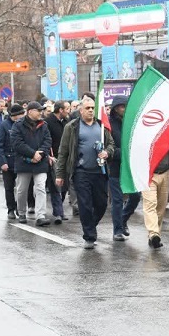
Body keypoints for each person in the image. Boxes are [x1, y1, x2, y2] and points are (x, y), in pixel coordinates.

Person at [55, 98, 114, 248]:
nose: (90, 110)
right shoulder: (72, 127)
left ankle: (90, 225)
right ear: (80, 110)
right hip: (81, 172)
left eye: (92, 108)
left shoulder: (101, 125)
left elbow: (111, 144)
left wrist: (107, 152)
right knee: (85, 204)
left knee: (101, 204)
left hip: (100, 172)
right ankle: (89, 236)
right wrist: (60, 174)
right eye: (87, 108)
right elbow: (63, 152)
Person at [11, 102, 52, 227]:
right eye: (38, 110)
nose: (40, 113)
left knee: (40, 187)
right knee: (22, 190)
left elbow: (47, 141)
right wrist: (32, 154)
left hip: (40, 162)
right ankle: (21, 213)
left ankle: (40, 216)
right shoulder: (18, 125)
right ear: (30, 111)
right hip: (24, 162)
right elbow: (17, 143)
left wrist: (40, 155)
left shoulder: (44, 125)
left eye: (41, 110)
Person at [107, 96, 141, 240]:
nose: (125, 109)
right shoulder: (108, 125)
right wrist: (126, 153)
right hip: (115, 167)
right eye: (122, 106)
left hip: (131, 168)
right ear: (116, 108)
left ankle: (123, 219)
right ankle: (117, 230)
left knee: (136, 196)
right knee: (117, 200)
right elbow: (109, 148)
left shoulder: (132, 122)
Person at [0, 104, 26, 220]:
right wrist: (2, 162)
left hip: (21, 160)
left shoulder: (23, 125)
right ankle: (11, 209)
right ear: (15, 115)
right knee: (9, 187)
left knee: (22, 187)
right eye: (21, 114)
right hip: (8, 161)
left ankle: (20, 208)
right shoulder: (4, 125)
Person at [45, 100, 70, 223]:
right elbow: (46, 140)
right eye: (67, 109)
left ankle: (59, 208)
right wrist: (48, 156)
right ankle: (58, 212)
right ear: (60, 110)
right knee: (55, 186)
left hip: (65, 158)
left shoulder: (67, 122)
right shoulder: (48, 122)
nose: (69, 111)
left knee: (64, 186)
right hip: (53, 158)